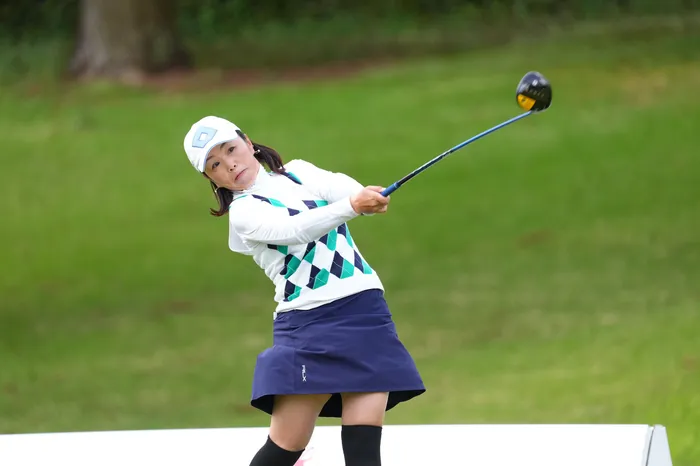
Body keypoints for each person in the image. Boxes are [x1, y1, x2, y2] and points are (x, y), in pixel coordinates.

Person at [183, 116, 426, 466]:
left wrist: (367, 197)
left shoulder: (298, 173)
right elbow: (296, 230)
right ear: (211, 178)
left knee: (364, 450)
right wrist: (353, 206)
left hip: (365, 312)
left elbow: (348, 191)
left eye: (231, 150)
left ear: (248, 143)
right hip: (308, 326)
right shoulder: (243, 213)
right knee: (285, 448)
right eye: (215, 165)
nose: (230, 164)